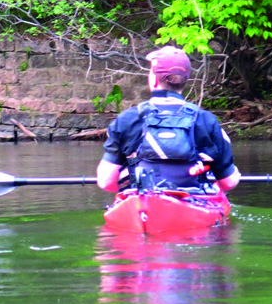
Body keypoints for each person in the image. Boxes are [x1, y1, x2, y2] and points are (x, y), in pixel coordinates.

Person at [96, 46, 241, 194]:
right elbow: (228, 183)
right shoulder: (206, 120)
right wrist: (234, 174)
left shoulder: (128, 119)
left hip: (144, 206)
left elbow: (106, 182)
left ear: (153, 79)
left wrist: (123, 189)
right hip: (193, 204)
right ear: (186, 80)